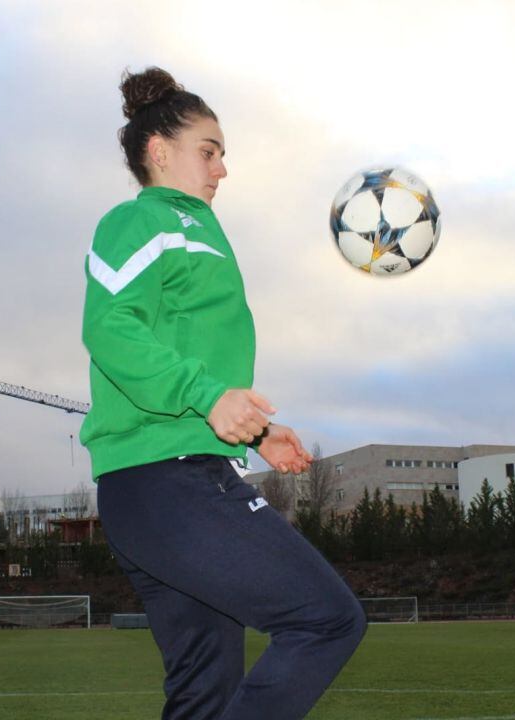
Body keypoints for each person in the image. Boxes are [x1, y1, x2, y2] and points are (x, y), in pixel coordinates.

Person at [81, 66, 366, 720]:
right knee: (327, 620)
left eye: (223, 155)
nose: (222, 169)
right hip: (165, 483)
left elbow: (186, 349)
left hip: (172, 480)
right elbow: (109, 327)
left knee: (204, 693)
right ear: (159, 153)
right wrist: (208, 398)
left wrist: (259, 431)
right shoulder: (141, 222)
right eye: (208, 151)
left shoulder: (199, 230)